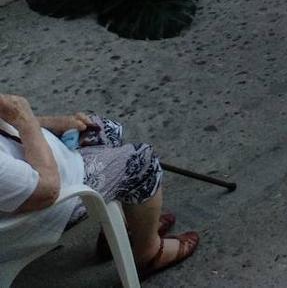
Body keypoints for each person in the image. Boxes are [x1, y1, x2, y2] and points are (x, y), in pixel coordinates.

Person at [0, 95, 198, 279]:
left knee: (104, 129)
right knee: (141, 162)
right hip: (44, 206)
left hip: (34, 167)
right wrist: (25, 120)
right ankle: (149, 253)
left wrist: (51, 123)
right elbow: (46, 192)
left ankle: (122, 230)